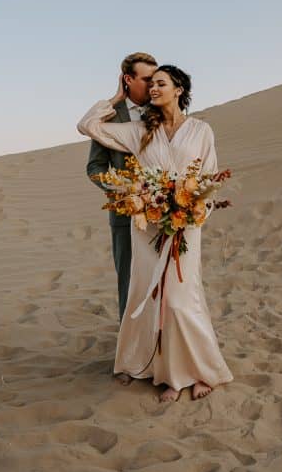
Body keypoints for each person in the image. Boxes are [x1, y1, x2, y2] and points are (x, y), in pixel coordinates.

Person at [78, 65, 234, 402]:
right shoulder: (138, 131)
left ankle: (199, 370)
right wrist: (116, 98)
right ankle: (167, 376)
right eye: (150, 84)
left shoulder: (201, 130)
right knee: (153, 298)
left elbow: (208, 178)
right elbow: (87, 126)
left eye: (160, 83)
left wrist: (195, 210)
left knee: (181, 298)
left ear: (179, 89)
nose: (153, 89)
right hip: (147, 225)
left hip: (187, 225)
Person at [85, 52, 157, 336]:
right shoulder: (110, 117)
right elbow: (94, 167)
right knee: (129, 282)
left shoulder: (161, 110)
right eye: (147, 79)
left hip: (161, 212)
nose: (153, 86)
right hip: (124, 215)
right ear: (128, 80)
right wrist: (121, 190)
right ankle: (129, 356)